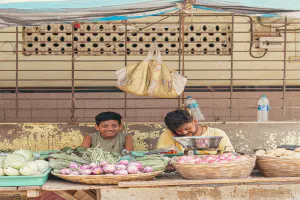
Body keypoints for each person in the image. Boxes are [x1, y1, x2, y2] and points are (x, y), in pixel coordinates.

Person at [156, 109, 235, 154]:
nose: (184, 133)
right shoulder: (169, 134)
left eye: (187, 128)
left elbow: (230, 154)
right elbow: (163, 155)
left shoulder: (217, 134)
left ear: (194, 122)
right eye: (179, 131)